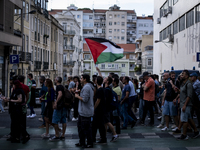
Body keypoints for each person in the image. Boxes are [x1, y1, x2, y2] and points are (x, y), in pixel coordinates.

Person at [177, 70, 199, 140]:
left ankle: (184, 134)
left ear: (186, 76)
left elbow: (189, 95)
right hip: (183, 103)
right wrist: (178, 91)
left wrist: (184, 105)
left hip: (186, 104)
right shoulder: (183, 83)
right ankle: (196, 131)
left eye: (183, 74)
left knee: (184, 120)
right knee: (189, 118)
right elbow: (183, 92)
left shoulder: (188, 84)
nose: (181, 75)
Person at [75, 74, 94, 148]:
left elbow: (85, 99)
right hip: (83, 111)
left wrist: (77, 96)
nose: (80, 79)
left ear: (85, 79)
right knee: (81, 128)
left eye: (81, 78)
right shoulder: (87, 87)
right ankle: (82, 142)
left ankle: (89, 143)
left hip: (85, 112)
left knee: (86, 129)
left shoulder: (86, 87)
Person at [49, 77, 67, 141]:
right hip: (64, 106)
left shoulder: (58, 87)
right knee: (63, 120)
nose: (54, 80)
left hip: (59, 106)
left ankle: (57, 135)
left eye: (55, 79)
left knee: (55, 120)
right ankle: (63, 135)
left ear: (56, 80)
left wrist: (56, 102)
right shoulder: (62, 87)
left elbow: (60, 94)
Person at [93, 76, 107, 144]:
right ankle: (101, 138)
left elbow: (98, 100)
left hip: (99, 110)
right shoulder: (102, 89)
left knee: (98, 125)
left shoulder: (99, 90)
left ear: (96, 81)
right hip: (101, 109)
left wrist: (94, 108)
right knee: (98, 124)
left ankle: (102, 138)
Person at [18, 75, 30, 143]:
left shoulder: (15, 87)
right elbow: (28, 96)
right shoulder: (26, 87)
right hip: (23, 105)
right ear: (23, 80)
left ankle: (18, 133)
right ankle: (24, 134)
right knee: (23, 119)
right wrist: (25, 102)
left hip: (17, 105)